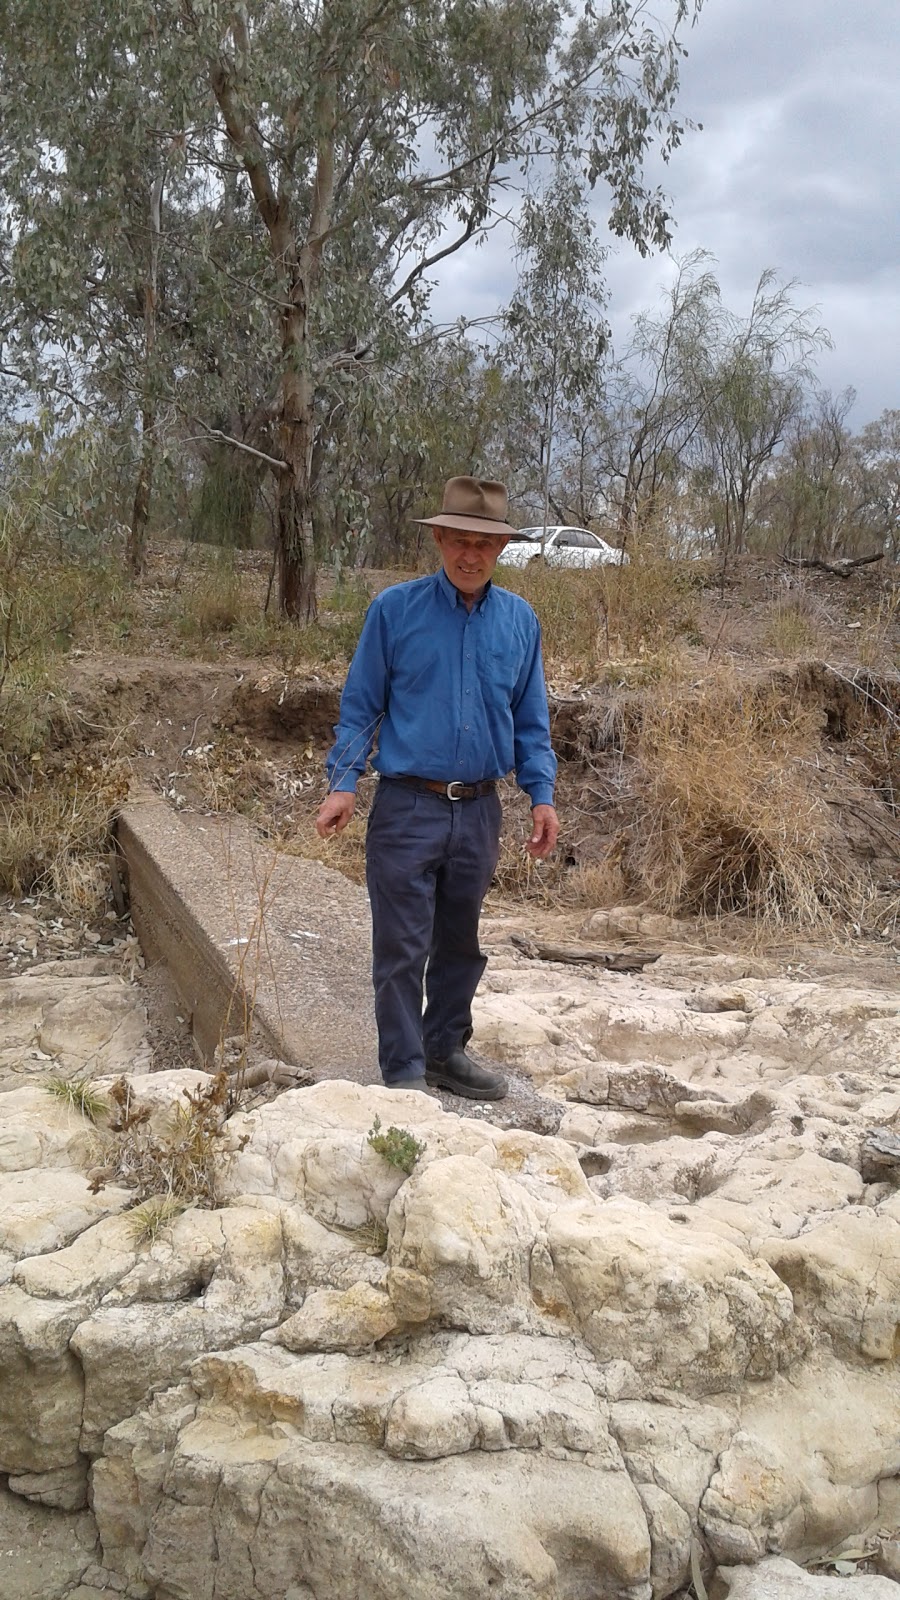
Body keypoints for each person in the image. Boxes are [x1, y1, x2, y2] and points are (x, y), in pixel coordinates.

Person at [316, 477, 559, 1100]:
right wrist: (343, 783)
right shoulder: (394, 612)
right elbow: (361, 705)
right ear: (440, 539)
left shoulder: (519, 622)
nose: (469, 554)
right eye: (458, 540)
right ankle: (403, 1073)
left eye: (483, 543)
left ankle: (445, 1049)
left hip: (479, 810)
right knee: (401, 945)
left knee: (460, 943)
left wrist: (541, 793)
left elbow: (531, 719)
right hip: (407, 806)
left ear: (501, 549)